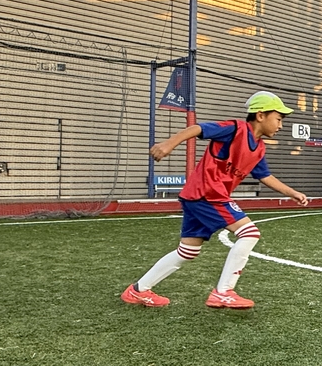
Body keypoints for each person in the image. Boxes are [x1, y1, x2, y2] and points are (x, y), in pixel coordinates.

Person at [122, 91, 309, 309]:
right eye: (278, 119)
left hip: (197, 196)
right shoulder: (234, 129)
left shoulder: (259, 148)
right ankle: (223, 292)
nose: (281, 126)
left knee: (187, 252)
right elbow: (197, 128)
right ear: (260, 115)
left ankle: (138, 290)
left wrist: (292, 193)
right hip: (207, 194)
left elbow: (264, 176)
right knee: (249, 233)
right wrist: (169, 144)